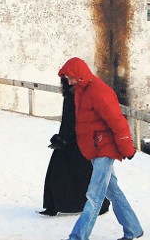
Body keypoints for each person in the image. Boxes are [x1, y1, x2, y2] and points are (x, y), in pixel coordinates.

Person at [58, 57, 143, 240]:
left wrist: (127, 149)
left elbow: (117, 122)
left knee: (94, 195)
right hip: (95, 148)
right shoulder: (81, 90)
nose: (69, 82)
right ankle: (133, 228)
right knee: (112, 191)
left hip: (105, 148)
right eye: (67, 79)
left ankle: (78, 237)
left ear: (80, 75)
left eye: (71, 78)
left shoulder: (99, 91)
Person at [39, 76, 110, 217]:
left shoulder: (80, 95)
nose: (68, 82)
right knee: (61, 173)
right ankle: (53, 206)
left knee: (81, 175)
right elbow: (67, 120)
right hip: (70, 140)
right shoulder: (71, 94)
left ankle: (100, 204)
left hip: (79, 141)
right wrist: (61, 138)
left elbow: (77, 120)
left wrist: (63, 138)